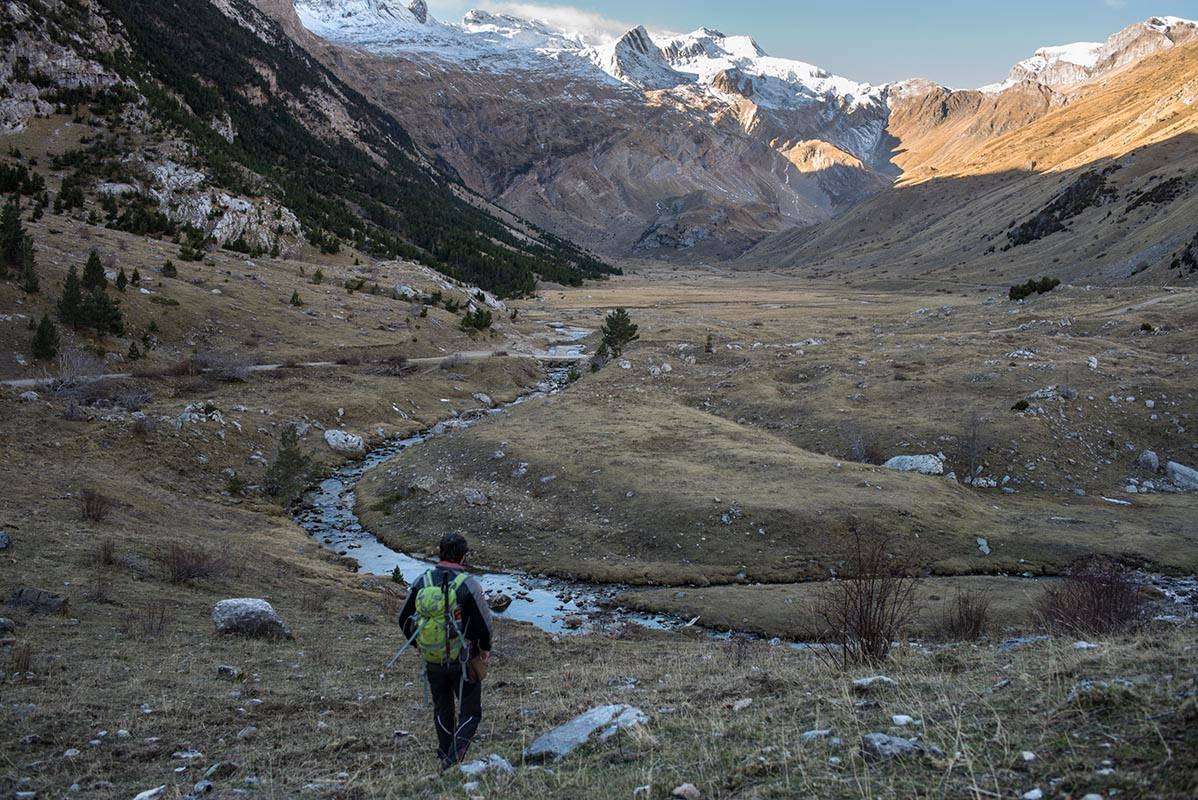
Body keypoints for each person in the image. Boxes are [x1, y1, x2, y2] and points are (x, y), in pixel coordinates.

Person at [397, 532, 493, 768]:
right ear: (463, 557)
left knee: (443, 709)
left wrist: (420, 645)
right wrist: (484, 649)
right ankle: (453, 759)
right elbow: (484, 624)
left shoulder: (422, 581)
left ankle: (445, 756)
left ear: (440, 552)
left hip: (433, 659)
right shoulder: (468, 584)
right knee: (471, 712)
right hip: (463, 660)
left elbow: (403, 618)